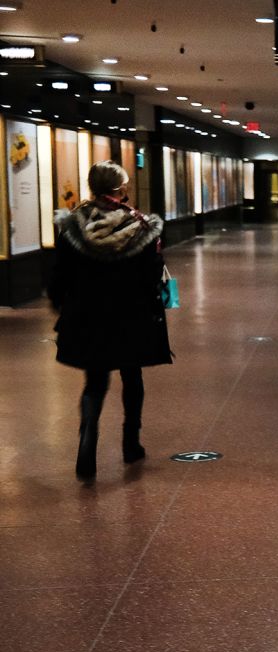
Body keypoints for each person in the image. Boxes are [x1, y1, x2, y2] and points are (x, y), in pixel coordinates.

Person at [47, 161, 170, 484]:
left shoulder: (74, 225)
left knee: (95, 382)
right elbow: (152, 273)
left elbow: (59, 274)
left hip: (87, 316)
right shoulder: (140, 225)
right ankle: (131, 443)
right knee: (132, 376)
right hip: (131, 316)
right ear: (120, 189)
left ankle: (87, 443)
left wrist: (60, 304)